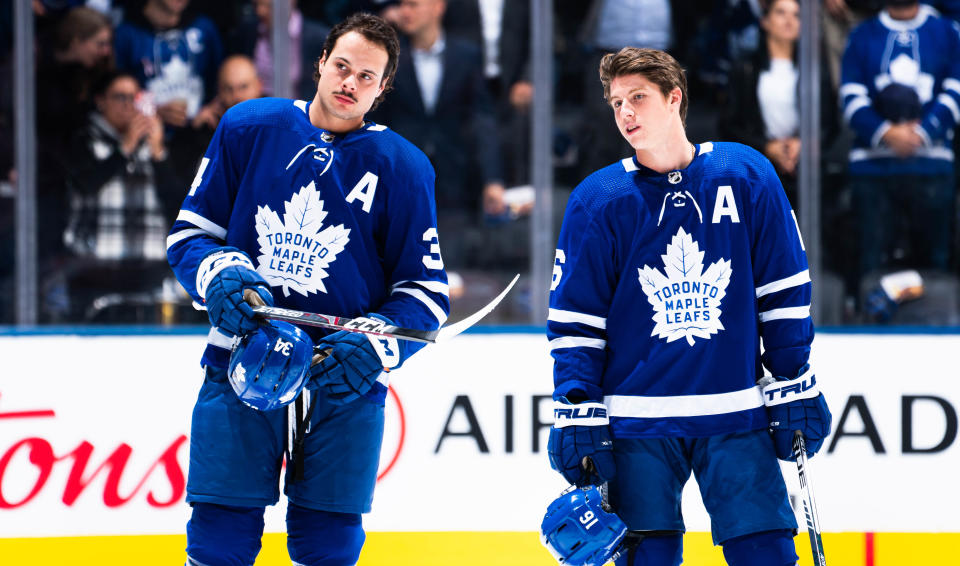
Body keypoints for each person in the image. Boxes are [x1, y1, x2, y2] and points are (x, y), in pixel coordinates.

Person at [166, 12, 449, 566]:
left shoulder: (404, 167)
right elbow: (190, 235)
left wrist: (375, 345)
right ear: (320, 63)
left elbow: (425, 294)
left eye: (367, 77)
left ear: (383, 87)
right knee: (218, 534)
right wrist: (218, 272)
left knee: (330, 544)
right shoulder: (250, 127)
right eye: (342, 67)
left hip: (341, 377)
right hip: (242, 361)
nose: (350, 83)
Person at [545, 47, 831, 566]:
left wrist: (794, 377)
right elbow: (575, 321)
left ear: (674, 98)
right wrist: (576, 405)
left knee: (767, 554)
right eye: (616, 103)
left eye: (638, 97)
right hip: (635, 424)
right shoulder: (600, 198)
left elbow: (784, 288)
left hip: (735, 413)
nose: (625, 113)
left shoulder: (745, 175)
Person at [367, 0, 503, 270]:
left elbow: (482, 119)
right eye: (402, 5)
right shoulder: (388, 61)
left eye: (413, 4)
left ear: (438, 7)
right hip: (401, 177)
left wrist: (492, 178)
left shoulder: (466, 56)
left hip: (455, 177)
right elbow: (375, 122)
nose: (404, 12)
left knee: (452, 268)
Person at [840, 0, 960, 306]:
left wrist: (923, 132)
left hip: (932, 168)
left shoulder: (946, 32)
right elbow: (851, 96)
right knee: (871, 264)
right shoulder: (862, 34)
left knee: (936, 268)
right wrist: (887, 133)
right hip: (873, 170)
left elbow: (956, 90)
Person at [61, 70, 182, 321]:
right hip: (94, 270)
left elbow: (177, 206)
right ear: (101, 101)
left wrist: (158, 154)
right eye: (120, 97)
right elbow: (86, 184)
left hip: (149, 271)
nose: (128, 105)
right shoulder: (82, 140)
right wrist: (124, 149)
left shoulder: (152, 145)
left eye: (134, 98)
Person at [718, 0, 837, 209]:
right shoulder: (745, 68)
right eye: (781, 13)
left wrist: (803, 144)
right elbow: (728, 124)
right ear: (765, 21)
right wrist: (766, 147)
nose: (789, 20)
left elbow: (830, 122)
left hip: (806, 170)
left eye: (797, 15)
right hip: (756, 170)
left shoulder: (816, 70)